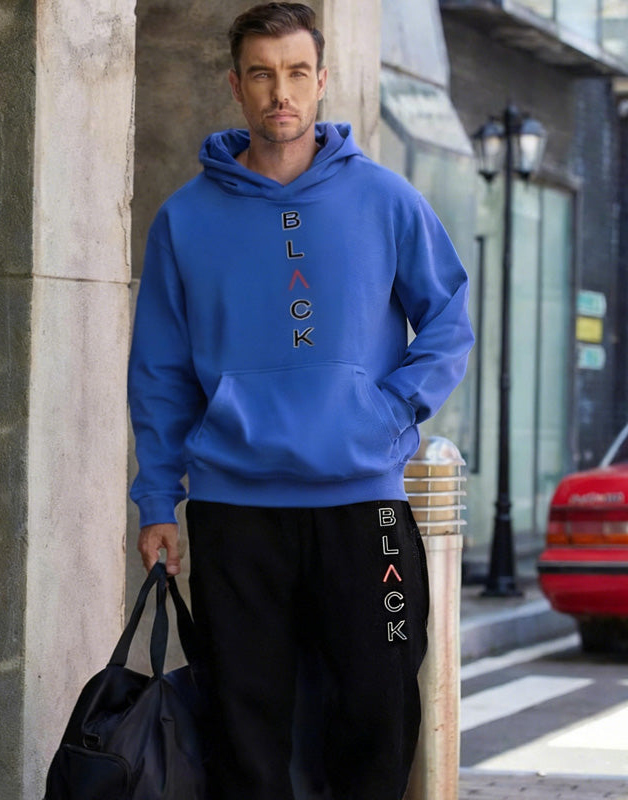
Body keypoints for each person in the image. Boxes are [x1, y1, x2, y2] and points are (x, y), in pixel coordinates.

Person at [128, 3, 474, 798]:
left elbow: (448, 319)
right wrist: (156, 500)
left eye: (294, 73)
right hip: (235, 509)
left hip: (363, 502)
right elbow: (160, 371)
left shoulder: (386, 200)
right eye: (261, 74)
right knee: (244, 732)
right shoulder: (185, 219)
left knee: (377, 717)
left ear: (321, 81)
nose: (278, 92)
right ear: (236, 85)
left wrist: (391, 410)